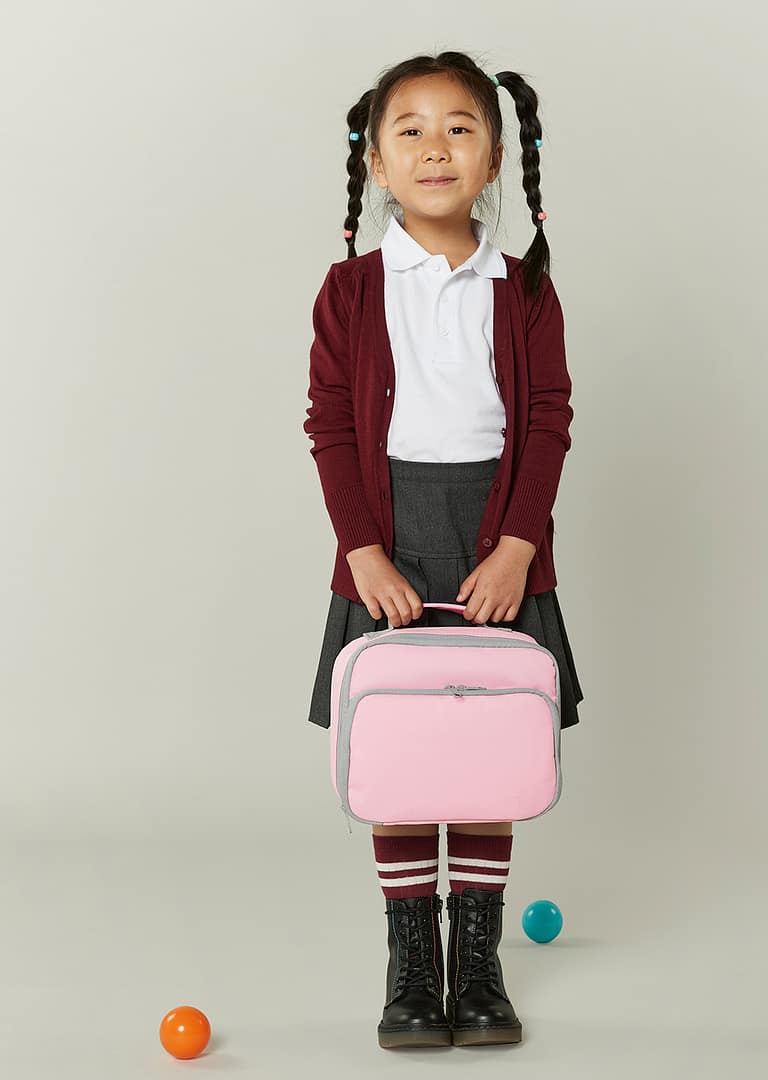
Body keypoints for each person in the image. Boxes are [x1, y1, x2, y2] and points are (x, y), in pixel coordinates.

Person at [302, 50, 583, 1049]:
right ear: (377, 161)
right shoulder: (349, 291)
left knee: (489, 747)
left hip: (496, 538)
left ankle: (481, 959)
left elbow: (547, 423)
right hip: (390, 542)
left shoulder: (525, 290)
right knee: (401, 747)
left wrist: (517, 548)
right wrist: (363, 553)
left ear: (494, 157)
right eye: (410, 130)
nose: (435, 147)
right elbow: (332, 427)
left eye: (459, 127)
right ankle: (413, 962)